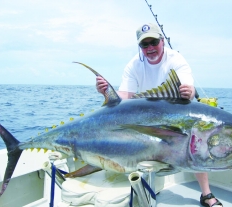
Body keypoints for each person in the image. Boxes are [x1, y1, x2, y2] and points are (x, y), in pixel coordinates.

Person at [96, 23, 223, 207]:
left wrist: (189, 90)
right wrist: (107, 93)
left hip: (173, 113)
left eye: (153, 42)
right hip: (146, 116)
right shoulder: (134, 65)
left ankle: (206, 194)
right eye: (144, 45)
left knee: (195, 143)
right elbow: (125, 98)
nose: (150, 48)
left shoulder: (176, 59)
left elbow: (188, 87)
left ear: (162, 41)